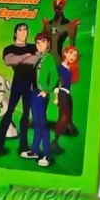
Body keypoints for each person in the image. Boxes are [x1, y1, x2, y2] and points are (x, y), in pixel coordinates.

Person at [0, 23, 41, 156]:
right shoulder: (9, 49)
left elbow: (34, 60)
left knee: (25, 115)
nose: (23, 32)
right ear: (15, 33)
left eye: (25, 29)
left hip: (30, 84)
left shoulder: (33, 47)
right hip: (17, 83)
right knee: (9, 113)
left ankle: (23, 146)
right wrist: (25, 56)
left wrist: (21, 59)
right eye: (20, 29)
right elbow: (9, 61)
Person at [21, 32, 59, 167]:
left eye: (43, 41)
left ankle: (47, 155)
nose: (40, 44)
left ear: (48, 43)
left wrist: (46, 90)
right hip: (33, 92)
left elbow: (55, 76)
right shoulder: (39, 57)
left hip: (40, 94)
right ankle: (35, 150)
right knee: (37, 123)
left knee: (42, 124)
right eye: (37, 42)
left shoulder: (49, 58)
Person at [51, 46, 80, 154]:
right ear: (65, 53)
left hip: (67, 94)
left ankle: (56, 141)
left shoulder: (70, 68)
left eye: (75, 55)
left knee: (66, 117)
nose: (73, 56)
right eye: (71, 53)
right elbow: (56, 83)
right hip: (62, 93)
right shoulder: (59, 68)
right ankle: (54, 142)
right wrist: (56, 98)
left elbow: (72, 81)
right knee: (63, 118)